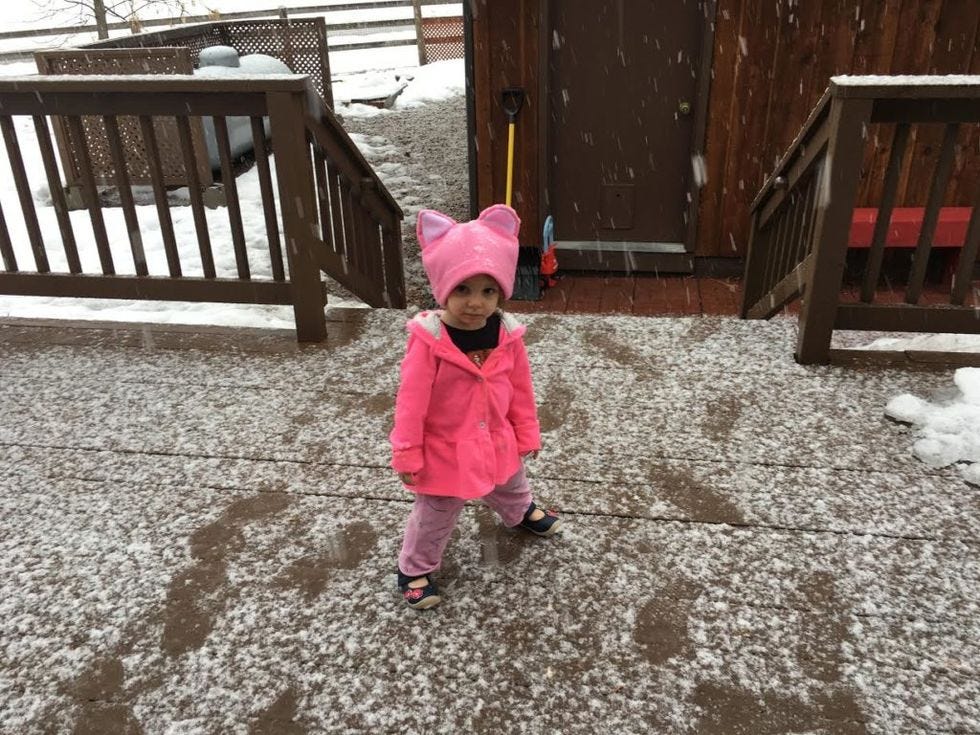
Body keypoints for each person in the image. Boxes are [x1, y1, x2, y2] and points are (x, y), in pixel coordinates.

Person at [390, 204, 561, 610]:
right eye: (462, 289)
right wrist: (407, 451)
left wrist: (526, 432)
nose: (475, 303)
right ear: (442, 288)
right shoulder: (430, 341)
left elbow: (520, 388)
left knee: (511, 481)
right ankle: (414, 567)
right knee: (437, 510)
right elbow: (410, 402)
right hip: (445, 446)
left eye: (488, 291)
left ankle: (520, 512)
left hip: (497, 436)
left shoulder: (506, 335)